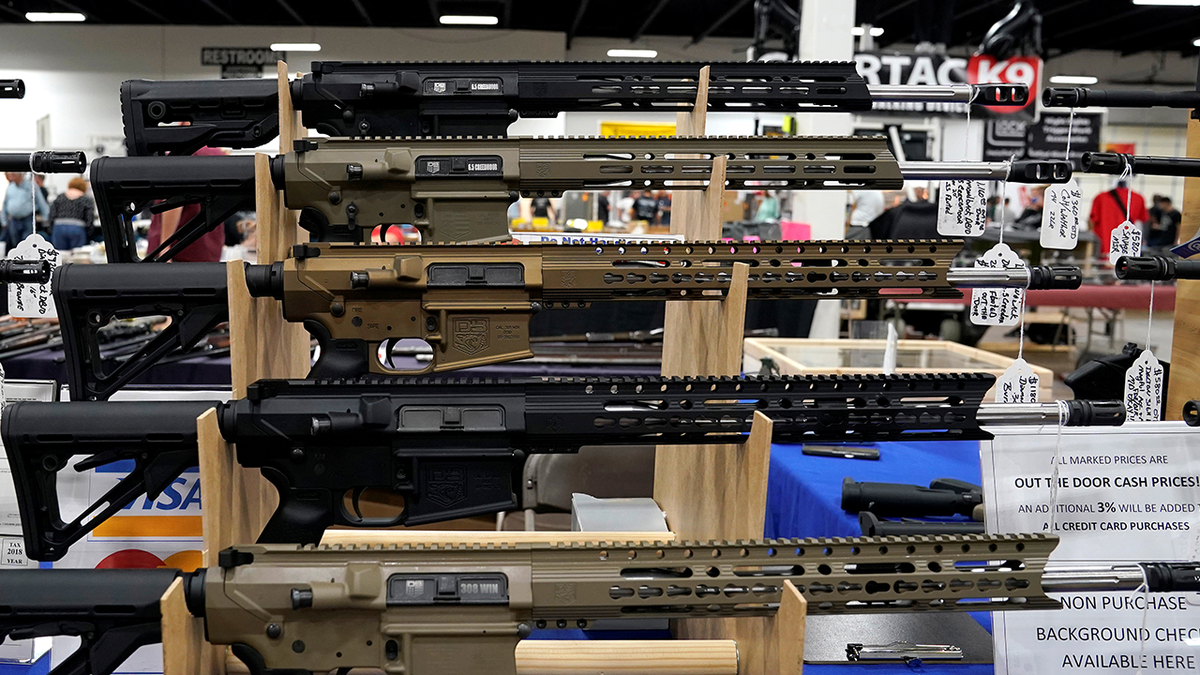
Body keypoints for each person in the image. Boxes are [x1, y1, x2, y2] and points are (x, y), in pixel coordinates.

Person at [146, 146, 228, 261]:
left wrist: (164, 248)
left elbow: (174, 202)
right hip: (207, 249)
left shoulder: (184, 154)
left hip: (179, 252)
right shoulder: (218, 156)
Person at [1088, 179, 1148, 257]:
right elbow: (1143, 220)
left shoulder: (1100, 197)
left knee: (1103, 266)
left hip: (1104, 248)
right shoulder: (1139, 198)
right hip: (1126, 245)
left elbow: (1091, 221)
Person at [1, 172, 49, 250]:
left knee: (27, 245)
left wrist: (46, 218)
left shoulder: (31, 185)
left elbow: (41, 201)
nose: (10, 175)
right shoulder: (10, 187)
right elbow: (5, 204)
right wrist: (4, 221)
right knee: (15, 246)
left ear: (20, 174)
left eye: (13, 173)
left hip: (27, 220)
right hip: (13, 220)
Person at [47, 176, 95, 250]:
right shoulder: (86, 199)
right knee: (77, 256)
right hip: (77, 229)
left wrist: (51, 230)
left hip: (59, 228)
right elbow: (90, 218)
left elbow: (51, 215)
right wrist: (89, 233)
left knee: (60, 255)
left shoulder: (60, 197)